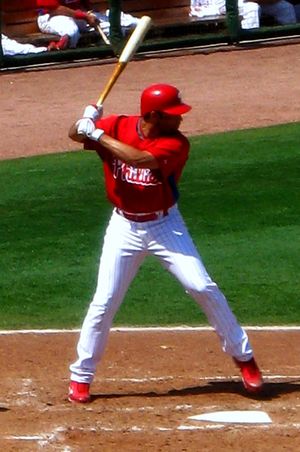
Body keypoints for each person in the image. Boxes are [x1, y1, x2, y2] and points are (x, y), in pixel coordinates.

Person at [67, 83, 264, 403]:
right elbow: (74, 134)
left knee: (201, 286)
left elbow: (140, 159)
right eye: (174, 115)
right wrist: (83, 123)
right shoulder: (117, 124)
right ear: (154, 115)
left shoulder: (176, 143)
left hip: (164, 225)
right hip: (124, 227)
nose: (181, 119)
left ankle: (245, 359)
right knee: (104, 301)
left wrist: (97, 134)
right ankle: (81, 376)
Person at [36, 0, 100, 50]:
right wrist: (85, 16)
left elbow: (86, 5)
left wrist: (91, 15)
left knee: (106, 26)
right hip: (51, 16)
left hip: (76, 15)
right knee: (72, 31)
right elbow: (55, 9)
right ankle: (57, 48)